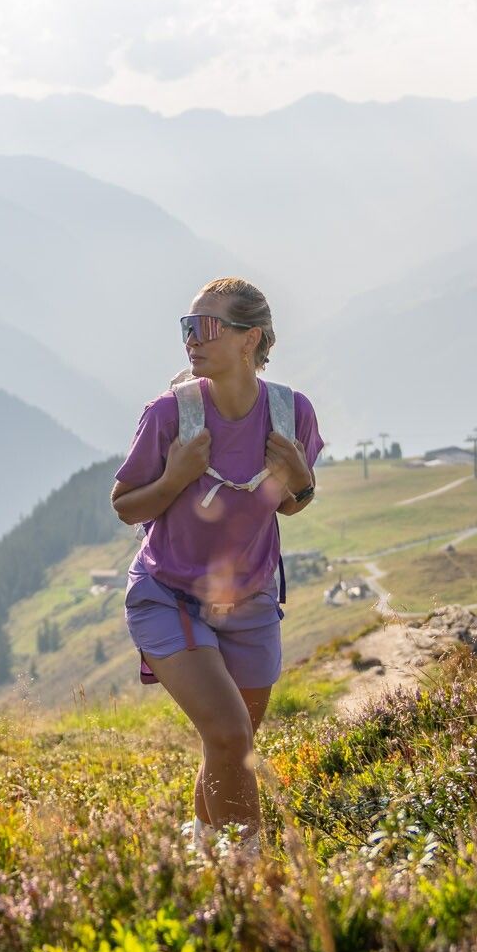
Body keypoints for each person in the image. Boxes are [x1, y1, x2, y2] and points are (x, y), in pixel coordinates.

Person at [111, 278, 323, 856]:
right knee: (230, 735)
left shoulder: (291, 412)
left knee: (230, 744)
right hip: (168, 595)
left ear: (250, 338)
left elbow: (290, 504)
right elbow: (125, 505)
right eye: (187, 327)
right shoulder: (169, 414)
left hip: (251, 602)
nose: (191, 340)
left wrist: (301, 480)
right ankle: (249, 878)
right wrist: (176, 477)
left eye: (205, 328)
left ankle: (205, 857)